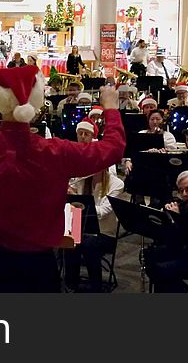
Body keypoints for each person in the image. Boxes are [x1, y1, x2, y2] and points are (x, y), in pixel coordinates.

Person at [0, 65, 125, 292]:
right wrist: (111, 109)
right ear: (36, 103)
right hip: (39, 268)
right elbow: (113, 149)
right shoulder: (56, 152)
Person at [64, 120, 124, 292]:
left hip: (104, 232)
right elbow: (70, 208)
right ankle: (71, 283)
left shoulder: (116, 184)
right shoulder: (81, 180)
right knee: (70, 240)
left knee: (89, 243)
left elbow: (102, 212)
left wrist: (78, 202)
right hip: (82, 228)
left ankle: (96, 286)